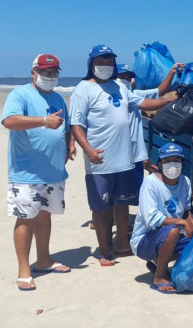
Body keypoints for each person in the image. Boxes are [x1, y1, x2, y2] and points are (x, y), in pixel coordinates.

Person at [69, 45, 177, 267]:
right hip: (99, 161)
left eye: (110, 62)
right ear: (91, 64)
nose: (106, 65)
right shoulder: (82, 89)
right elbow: (76, 124)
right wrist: (88, 150)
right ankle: (105, 251)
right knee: (101, 208)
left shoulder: (119, 86)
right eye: (102, 61)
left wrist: (168, 100)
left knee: (122, 205)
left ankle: (122, 244)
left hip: (125, 160)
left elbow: (143, 103)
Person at [1, 54, 75, 291]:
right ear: (33, 73)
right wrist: (43, 121)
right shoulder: (20, 94)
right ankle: (24, 269)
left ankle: (44, 260)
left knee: (44, 216)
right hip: (26, 172)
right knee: (25, 218)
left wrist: (69, 143)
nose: (50, 77)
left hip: (53, 171)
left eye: (54, 73)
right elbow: (9, 121)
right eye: (45, 73)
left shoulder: (58, 99)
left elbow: (66, 126)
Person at [130, 142, 193, 294]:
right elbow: (151, 218)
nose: (173, 164)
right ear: (159, 164)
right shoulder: (150, 183)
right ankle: (159, 276)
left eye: (176, 160)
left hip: (171, 235)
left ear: (182, 163)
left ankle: (162, 263)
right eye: (167, 160)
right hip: (144, 240)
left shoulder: (185, 182)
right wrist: (182, 222)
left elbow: (185, 211)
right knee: (173, 231)